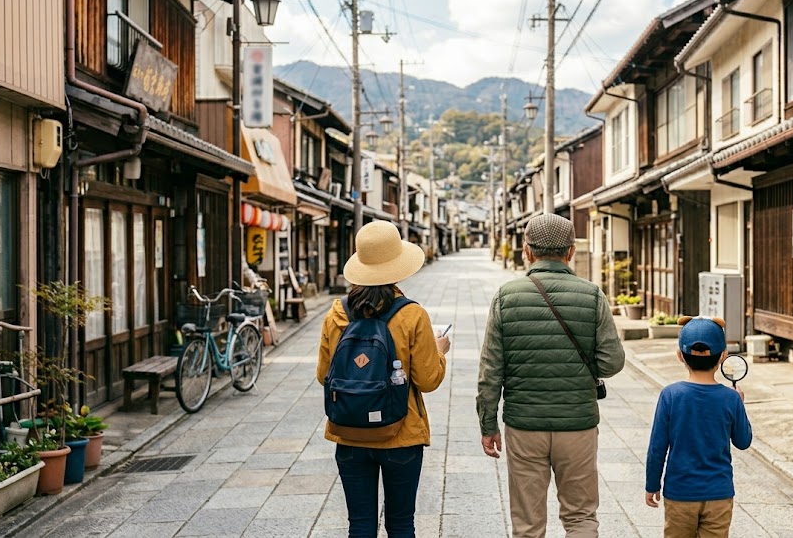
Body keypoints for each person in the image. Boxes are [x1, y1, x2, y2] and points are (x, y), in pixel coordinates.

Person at [476, 213, 626, 537]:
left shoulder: (506, 296)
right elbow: (612, 362)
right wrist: (580, 368)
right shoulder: (592, 295)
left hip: (524, 424)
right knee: (581, 517)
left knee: (528, 525)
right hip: (578, 425)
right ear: (570, 251)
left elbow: (490, 369)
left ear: (526, 251)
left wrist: (488, 423)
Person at [317, 220, 451, 538]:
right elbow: (429, 380)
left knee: (360, 525)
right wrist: (439, 350)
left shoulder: (336, 314)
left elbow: (324, 375)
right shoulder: (411, 315)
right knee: (401, 524)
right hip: (402, 435)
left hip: (348, 434)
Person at [644, 316, 753, 538]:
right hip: (719, 494)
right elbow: (743, 441)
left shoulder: (670, 395)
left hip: (680, 493)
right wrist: (740, 405)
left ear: (679, 356)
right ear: (723, 356)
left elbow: (657, 447)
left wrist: (652, 484)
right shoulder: (730, 398)